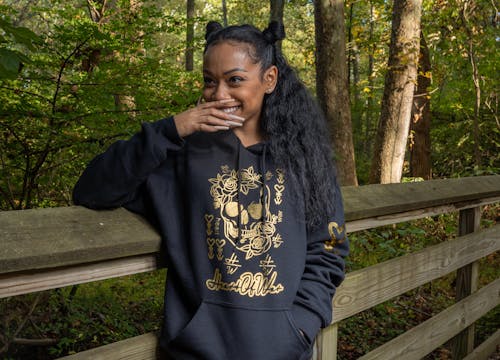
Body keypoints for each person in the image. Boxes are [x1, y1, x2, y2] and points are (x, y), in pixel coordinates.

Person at [73, 20, 349, 360]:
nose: (219, 94)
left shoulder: (306, 159)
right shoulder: (185, 157)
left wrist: (302, 325)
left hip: (284, 351)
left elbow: (330, 246)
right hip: (196, 351)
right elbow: (92, 189)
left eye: (234, 80)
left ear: (269, 79)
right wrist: (172, 128)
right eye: (209, 81)